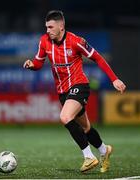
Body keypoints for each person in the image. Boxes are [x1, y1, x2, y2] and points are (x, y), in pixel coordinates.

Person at [23, 10, 126, 173]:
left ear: (61, 26)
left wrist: (114, 79)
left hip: (80, 85)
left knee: (65, 117)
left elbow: (97, 57)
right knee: (85, 128)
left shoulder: (75, 41)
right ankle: (104, 150)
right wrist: (31, 65)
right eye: (46, 27)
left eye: (50, 27)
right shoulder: (44, 41)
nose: (47, 30)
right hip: (63, 91)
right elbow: (38, 62)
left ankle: (88, 157)